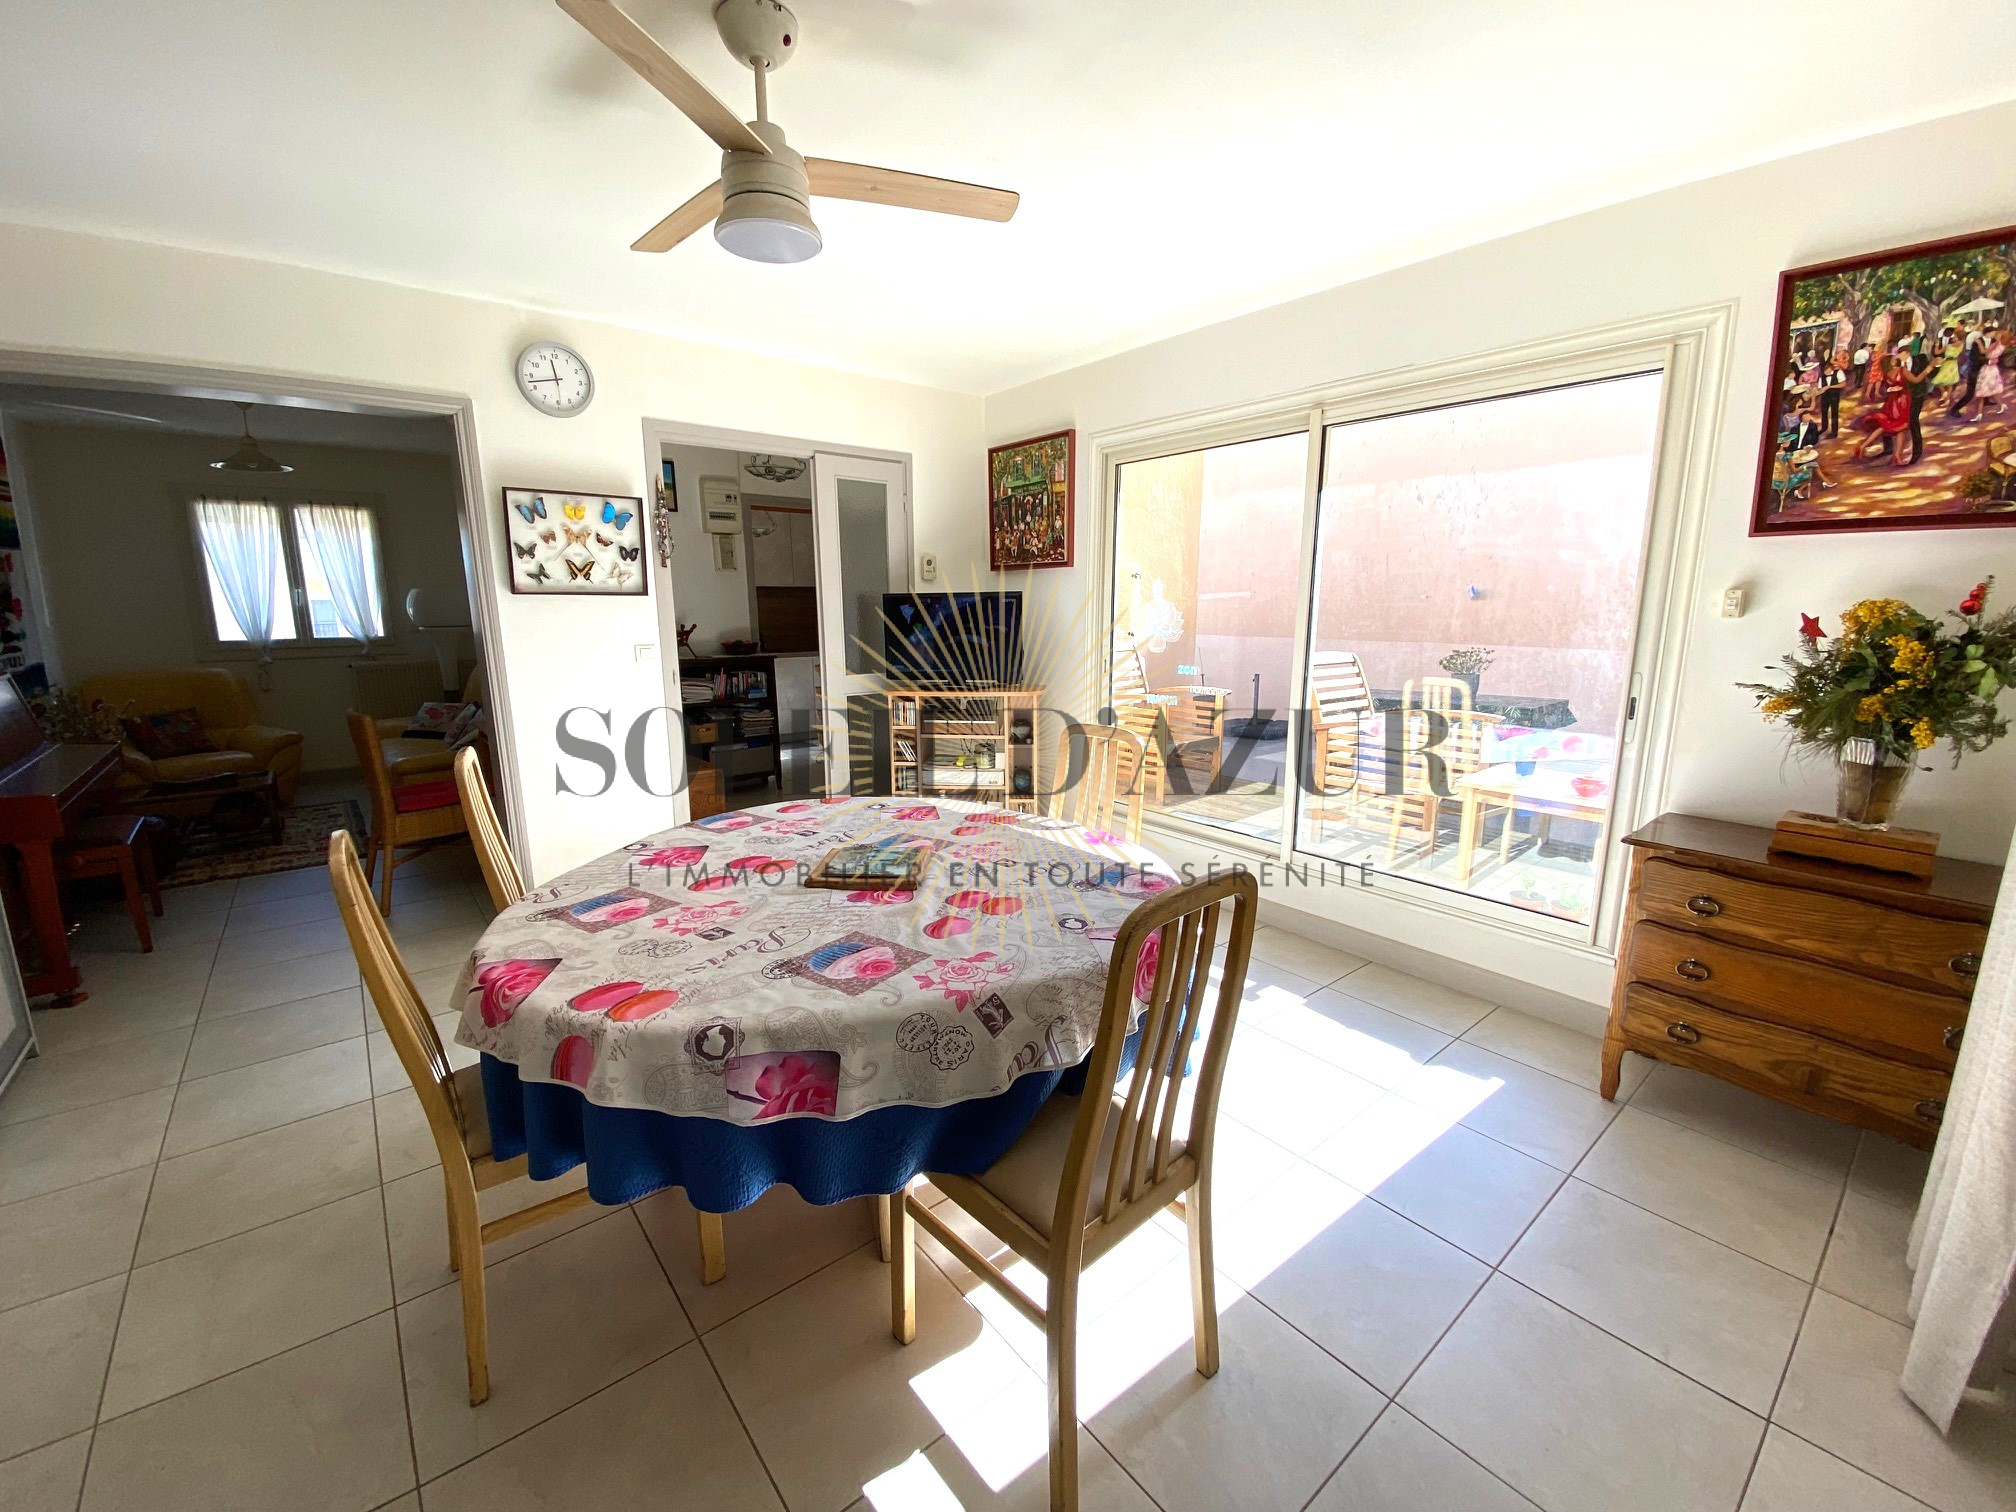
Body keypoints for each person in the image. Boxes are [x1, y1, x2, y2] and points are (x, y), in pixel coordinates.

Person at [1820, 353, 1848, 437]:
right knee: (1824, 412)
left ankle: (1834, 432)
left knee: (1834, 413)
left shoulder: (1838, 372)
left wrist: (1830, 387)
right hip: (1824, 396)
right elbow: (1819, 387)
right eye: (1825, 371)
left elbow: (1843, 384)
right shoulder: (1822, 376)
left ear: (1831, 369)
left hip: (1834, 396)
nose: (1826, 372)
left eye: (1827, 370)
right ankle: (1824, 428)